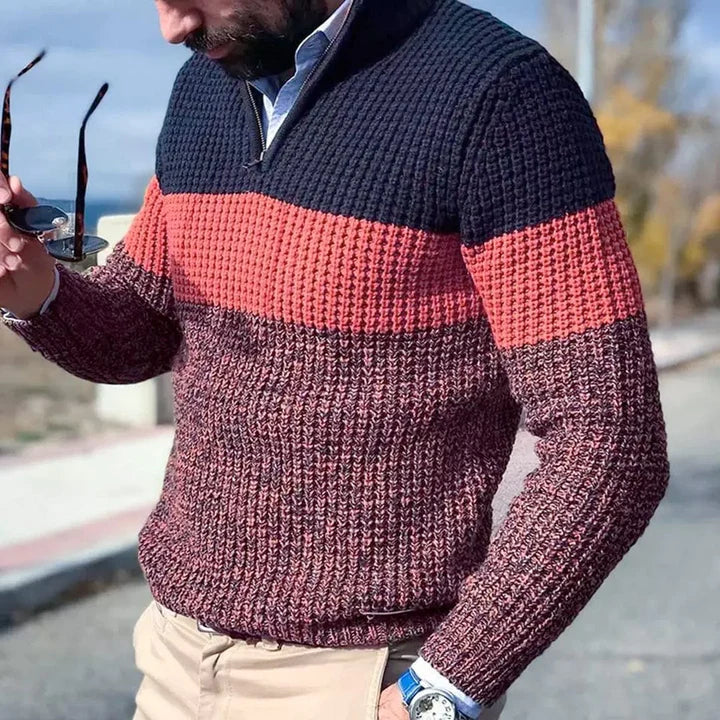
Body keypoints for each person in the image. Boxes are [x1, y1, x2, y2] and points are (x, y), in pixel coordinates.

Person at [0, 0, 671, 718]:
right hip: (175, 661)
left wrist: (442, 690)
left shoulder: (500, 93)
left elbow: (611, 441)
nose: (172, 27)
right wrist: (33, 288)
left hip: (363, 678)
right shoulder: (206, 84)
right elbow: (142, 330)